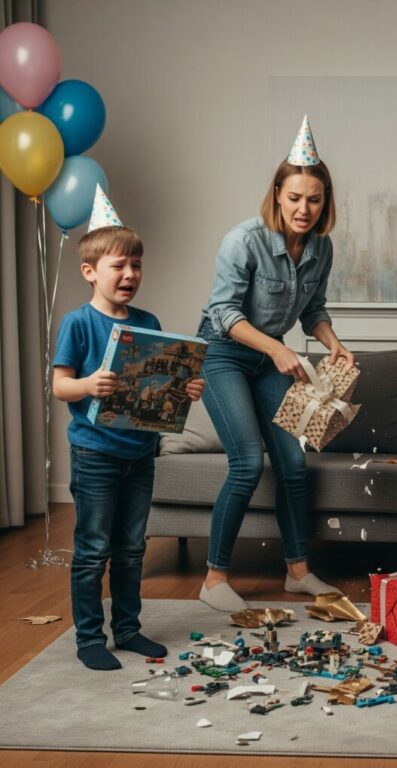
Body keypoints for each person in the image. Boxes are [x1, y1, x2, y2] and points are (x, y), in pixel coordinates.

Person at [197, 116, 354, 612]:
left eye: (314, 198)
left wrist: (333, 342)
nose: (304, 208)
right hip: (224, 355)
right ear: (277, 196)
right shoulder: (242, 240)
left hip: (268, 360)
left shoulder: (321, 248)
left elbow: (312, 310)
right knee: (246, 462)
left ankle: (298, 572)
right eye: (295, 198)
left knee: (292, 464)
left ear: (325, 200)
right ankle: (214, 578)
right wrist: (277, 349)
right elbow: (223, 314)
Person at [53, 189, 205, 671]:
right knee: (94, 547)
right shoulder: (78, 324)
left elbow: (157, 386)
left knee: (132, 547)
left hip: (141, 452)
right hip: (95, 452)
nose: (130, 275)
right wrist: (87, 384)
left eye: (136, 265)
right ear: (90, 271)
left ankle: (128, 628)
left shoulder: (148, 322)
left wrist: (187, 388)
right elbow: (59, 387)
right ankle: (88, 637)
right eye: (119, 265)